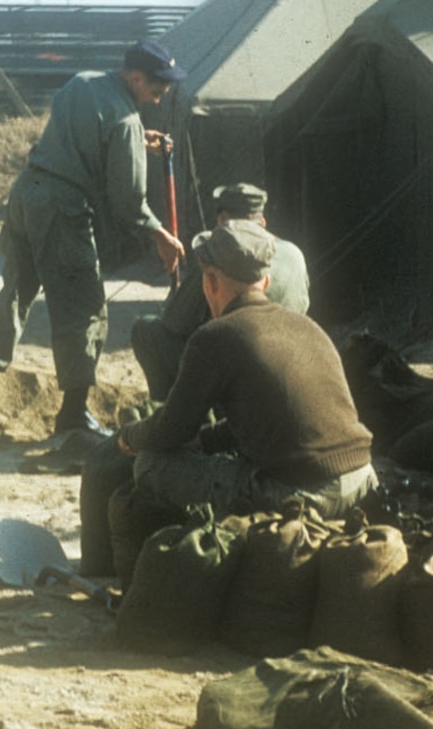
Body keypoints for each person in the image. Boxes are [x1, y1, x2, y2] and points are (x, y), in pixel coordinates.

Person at [0, 40, 187, 436]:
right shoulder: (126, 122)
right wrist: (162, 237)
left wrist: (136, 140)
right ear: (135, 77)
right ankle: (73, 415)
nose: (160, 96)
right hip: (62, 209)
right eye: (156, 88)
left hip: (26, 194)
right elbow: (129, 202)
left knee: (15, 293)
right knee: (83, 308)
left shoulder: (81, 83)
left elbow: (84, 132)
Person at [116, 220, 376, 518]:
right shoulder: (308, 326)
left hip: (305, 497)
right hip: (363, 480)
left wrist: (129, 437)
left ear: (211, 282)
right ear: (265, 283)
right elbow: (274, 420)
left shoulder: (214, 336)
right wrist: (207, 440)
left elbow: (170, 429)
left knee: (150, 464)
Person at [129, 181, 310, 401]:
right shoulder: (295, 254)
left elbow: (174, 323)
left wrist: (176, 296)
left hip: (238, 378)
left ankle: (170, 414)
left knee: (147, 331)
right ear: (262, 222)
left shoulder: (220, 252)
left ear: (222, 221)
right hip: (285, 369)